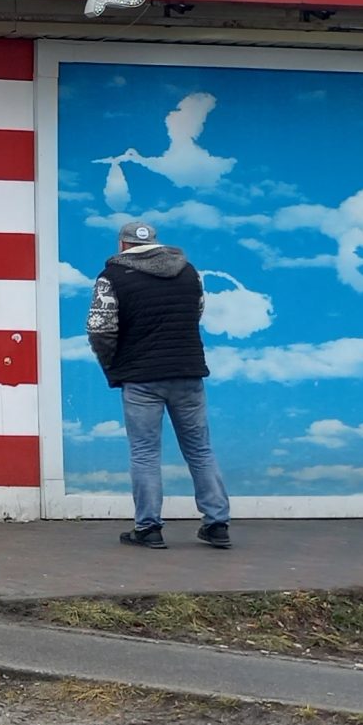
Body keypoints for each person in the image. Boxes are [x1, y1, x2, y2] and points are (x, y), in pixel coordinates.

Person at [89, 218, 231, 550]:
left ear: (123, 245)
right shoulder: (189, 272)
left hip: (141, 378)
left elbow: (99, 328)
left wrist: (114, 363)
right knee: (199, 449)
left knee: (145, 453)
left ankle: (149, 528)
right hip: (188, 372)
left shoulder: (111, 277)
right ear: (155, 242)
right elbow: (196, 312)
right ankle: (217, 524)